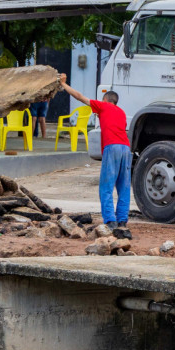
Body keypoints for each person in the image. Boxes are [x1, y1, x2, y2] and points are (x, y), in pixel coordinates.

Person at [59, 75, 133, 239]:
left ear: (106, 99)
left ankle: (110, 221)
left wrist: (63, 84)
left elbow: (79, 96)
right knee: (124, 187)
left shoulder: (102, 106)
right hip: (126, 148)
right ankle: (122, 222)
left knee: (106, 186)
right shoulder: (121, 112)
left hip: (112, 147)